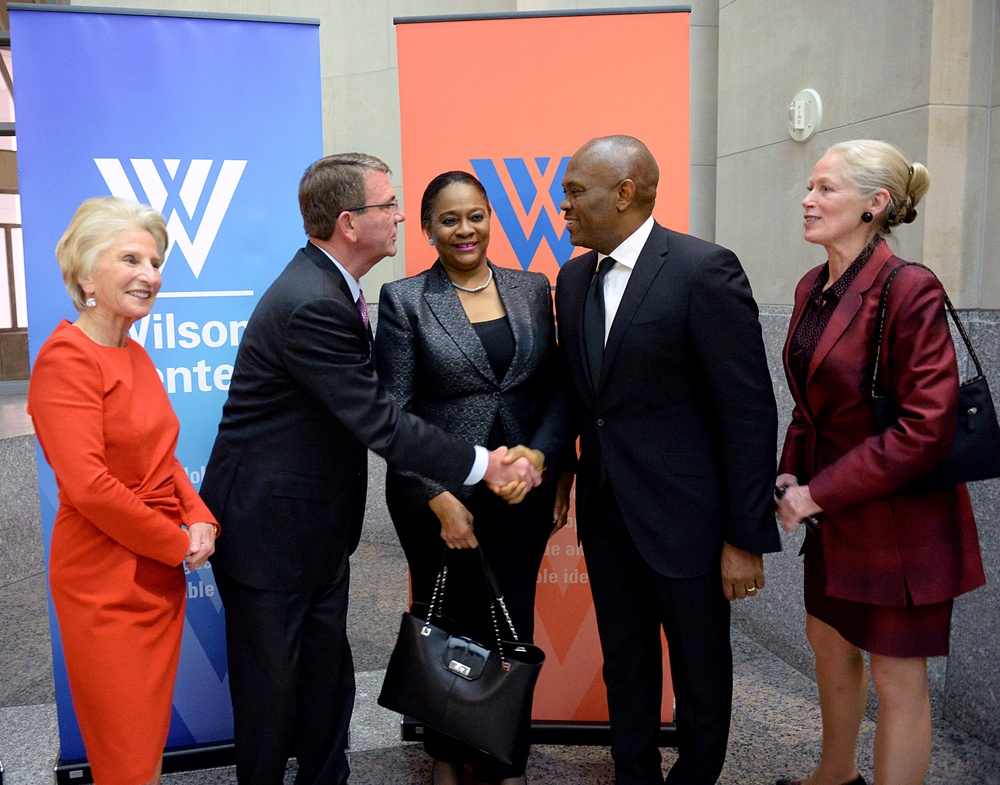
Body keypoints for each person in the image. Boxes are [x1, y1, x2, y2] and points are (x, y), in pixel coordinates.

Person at [198, 153, 541, 785]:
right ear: (350, 222)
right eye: (388, 205)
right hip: (269, 531)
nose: (399, 216)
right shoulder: (311, 302)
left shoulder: (333, 287)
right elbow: (379, 419)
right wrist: (478, 464)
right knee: (273, 696)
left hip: (311, 527)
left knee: (326, 681)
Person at [553, 135, 780, 785]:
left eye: (574, 191)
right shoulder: (572, 280)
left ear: (625, 193)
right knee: (625, 663)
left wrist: (744, 538)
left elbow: (748, 413)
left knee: (701, 669)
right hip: (606, 515)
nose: (561, 205)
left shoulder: (703, 269)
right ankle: (635, 774)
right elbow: (581, 396)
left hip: (690, 522)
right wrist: (565, 472)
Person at [773, 140, 985, 785]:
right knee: (829, 647)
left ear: (876, 204)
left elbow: (926, 428)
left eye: (826, 188)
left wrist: (816, 494)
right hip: (834, 515)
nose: (808, 200)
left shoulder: (909, 287)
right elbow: (810, 404)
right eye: (810, 187)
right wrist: (789, 471)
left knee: (898, 682)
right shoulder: (815, 285)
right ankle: (833, 778)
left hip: (900, 523)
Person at [375, 171, 573, 785]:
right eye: (450, 220)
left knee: (508, 615)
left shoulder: (533, 288)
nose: (466, 230)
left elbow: (557, 389)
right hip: (438, 495)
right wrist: (438, 498)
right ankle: (444, 756)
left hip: (520, 488)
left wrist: (547, 464)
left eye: (476, 216)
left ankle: (501, 755)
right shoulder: (406, 299)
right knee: (446, 620)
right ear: (430, 229)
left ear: (492, 218)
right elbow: (392, 412)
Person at [27, 197, 218, 785]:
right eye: (131, 258)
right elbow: (88, 486)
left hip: (156, 573)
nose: (150, 275)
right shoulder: (67, 359)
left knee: (142, 743)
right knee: (126, 757)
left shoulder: (133, 353)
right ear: (86, 273)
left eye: (156, 262)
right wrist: (174, 540)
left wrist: (200, 515)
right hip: (105, 582)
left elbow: (162, 460)